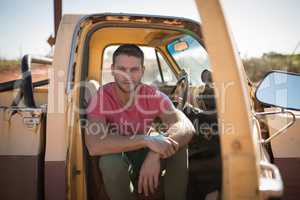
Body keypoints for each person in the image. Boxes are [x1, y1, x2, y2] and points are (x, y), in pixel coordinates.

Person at [85, 44, 195, 200]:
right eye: (122, 69)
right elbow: (94, 145)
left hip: (145, 152)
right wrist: (146, 140)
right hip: (119, 153)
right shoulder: (101, 97)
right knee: (109, 162)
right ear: (112, 69)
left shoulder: (153, 95)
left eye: (134, 70)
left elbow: (186, 126)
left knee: (177, 147)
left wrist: (155, 153)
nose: (128, 76)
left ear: (142, 70)